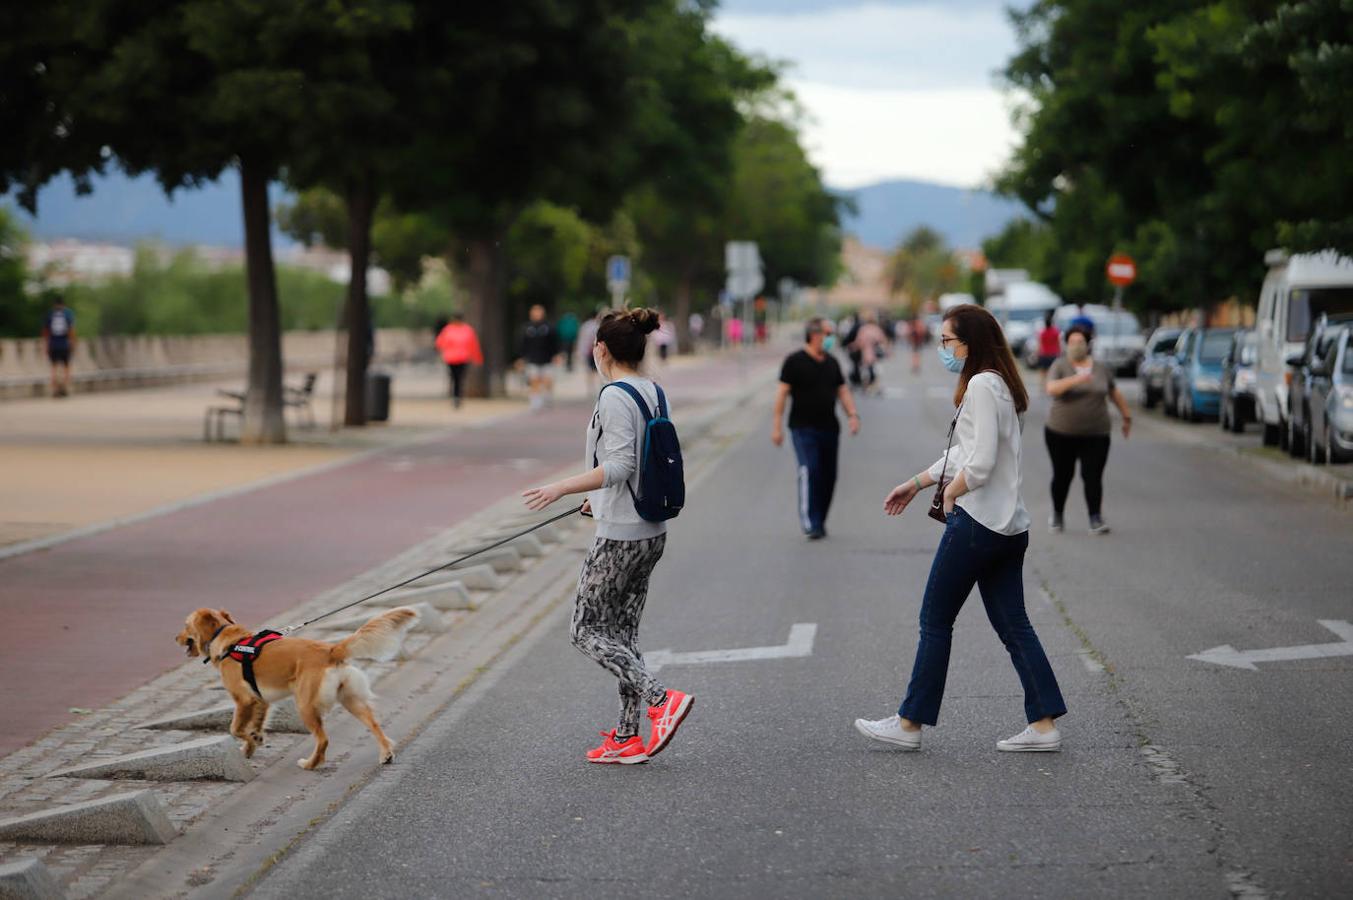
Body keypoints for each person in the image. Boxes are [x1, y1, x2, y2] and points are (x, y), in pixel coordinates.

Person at [855, 303, 1067, 754]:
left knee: (935, 620)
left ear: (970, 342)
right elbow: (965, 453)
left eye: (947, 341)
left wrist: (952, 495)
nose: (943, 349)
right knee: (1014, 625)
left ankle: (909, 723)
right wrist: (915, 484)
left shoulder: (982, 386)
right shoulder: (1001, 385)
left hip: (977, 524)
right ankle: (1044, 724)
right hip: (1009, 527)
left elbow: (981, 464)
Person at [521, 307, 693, 765]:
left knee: (584, 631)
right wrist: (595, 499)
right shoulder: (654, 391)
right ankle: (625, 736)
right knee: (623, 634)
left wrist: (561, 486)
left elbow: (619, 466)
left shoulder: (614, 395)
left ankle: (661, 700)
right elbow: (641, 460)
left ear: (601, 350)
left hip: (621, 535)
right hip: (649, 529)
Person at [771, 317, 860, 540]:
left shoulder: (832, 362)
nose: (830, 338)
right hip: (802, 428)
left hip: (830, 428)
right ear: (814, 334)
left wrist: (852, 415)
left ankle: (820, 520)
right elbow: (782, 394)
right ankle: (810, 521)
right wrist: (777, 427)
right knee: (810, 470)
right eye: (827, 334)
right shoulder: (794, 361)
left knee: (829, 476)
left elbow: (842, 391)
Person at [1044, 325, 1132, 535]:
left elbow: (1113, 392)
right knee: (1062, 475)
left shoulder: (1100, 368)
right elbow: (1051, 389)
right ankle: (1057, 514)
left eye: (1080, 342)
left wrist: (1126, 416)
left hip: (1096, 433)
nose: (1076, 346)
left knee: (1092, 475)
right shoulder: (1060, 365)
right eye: (1072, 342)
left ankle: (1095, 517)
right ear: (1066, 344)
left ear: (1088, 344)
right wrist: (1076, 379)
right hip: (1061, 432)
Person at [434, 313, 484, 408]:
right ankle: (456, 395)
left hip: (457, 358)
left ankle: (456, 395)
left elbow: (439, 343)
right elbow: (473, 345)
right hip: (457, 358)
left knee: (456, 378)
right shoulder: (465, 330)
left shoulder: (450, 329)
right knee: (458, 378)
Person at [517, 304, 559, 411]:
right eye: (535, 312)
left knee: (547, 380)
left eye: (539, 312)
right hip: (532, 359)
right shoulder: (527, 328)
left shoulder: (549, 327)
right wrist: (520, 358)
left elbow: (554, 343)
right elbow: (522, 344)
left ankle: (547, 397)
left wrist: (556, 355)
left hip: (547, 359)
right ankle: (535, 401)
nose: (537, 314)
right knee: (534, 380)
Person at [43, 296, 76, 398]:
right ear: (63, 304)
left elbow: (46, 331)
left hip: (53, 344)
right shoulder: (68, 314)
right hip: (65, 344)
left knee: (54, 367)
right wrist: (72, 342)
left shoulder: (50, 314)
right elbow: (71, 329)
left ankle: (55, 389)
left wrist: (46, 345)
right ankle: (65, 387)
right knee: (66, 367)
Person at [849, 311, 888, 393]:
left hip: (865, 351)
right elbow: (883, 340)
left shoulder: (863, 329)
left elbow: (859, 341)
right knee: (874, 369)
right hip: (874, 352)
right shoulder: (876, 329)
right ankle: (873, 385)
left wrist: (853, 346)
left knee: (865, 369)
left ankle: (866, 386)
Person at [1036, 310, 1061, 387]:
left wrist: (1038, 353)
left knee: (1043, 371)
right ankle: (1051, 384)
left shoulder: (1042, 332)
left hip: (1044, 354)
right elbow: (1058, 343)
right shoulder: (1056, 332)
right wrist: (1059, 352)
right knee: (1053, 371)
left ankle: (1042, 385)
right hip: (1053, 354)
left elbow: (1039, 344)